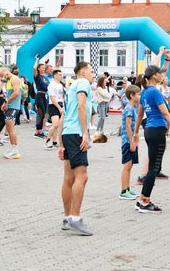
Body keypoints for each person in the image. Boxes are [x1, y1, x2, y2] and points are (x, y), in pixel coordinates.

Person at [133, 65, 170, 214]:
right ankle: (145, 201)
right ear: (154, 76)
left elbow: (140, 115)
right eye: (160, 74)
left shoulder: (145, 92)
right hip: (156, 130)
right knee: (153, 168)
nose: (163, 75)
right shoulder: (154, 91)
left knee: (153, 166)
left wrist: (136, 132)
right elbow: (166, 114)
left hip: (149, 130)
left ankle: (142, 198)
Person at [59, 61, 94, 236]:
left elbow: (64, 115)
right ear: (83, 73)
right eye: (91, 71)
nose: (93, 75)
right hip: (76, 133)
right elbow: (81, 106)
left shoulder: (70, 87)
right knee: (82, 176)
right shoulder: (82, 83)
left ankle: (67, 217)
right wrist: (85, 133)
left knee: (69, 178)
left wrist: (60, 142)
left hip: (67, 133)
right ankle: (75, 218)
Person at [119, 85, 141, 200]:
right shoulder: (129, 108)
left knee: (130, 165)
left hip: (131, 140)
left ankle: (127, 188)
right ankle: (123, 190)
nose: (139, 96)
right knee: (127, 165)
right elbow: (127, 126)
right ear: (132, 96)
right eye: (138, 94)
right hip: (127, 141)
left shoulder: (133, 107)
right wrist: (132, 141)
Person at [0, 67, 22, 159]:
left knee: (10, 128)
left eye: (2, 76)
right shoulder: (9, 80)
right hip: (10, 107)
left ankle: (15, 150)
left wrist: (6, 102)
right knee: (8, 128)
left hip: (13, 107)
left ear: (6, 73)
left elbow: (16, 93)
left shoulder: (14, 79)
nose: (2, 78)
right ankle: (13, 149)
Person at [47, 69, 66, 149]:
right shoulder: (52, 85)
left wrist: (63, 106)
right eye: (59, 74)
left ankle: (54, 142)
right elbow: (52, 97)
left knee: (58, 125)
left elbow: (63, 96)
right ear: (55, 75)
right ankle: (47, 140)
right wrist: (59, 107)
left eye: (61, 74)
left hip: (61, 104)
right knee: (55, 124)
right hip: (53, 105)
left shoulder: (61, 85)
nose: (60, 76)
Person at [33, 59, 49, 139]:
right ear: (39, 68)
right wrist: (37, 60)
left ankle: (40, 131)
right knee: (40, 114)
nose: (43, 68)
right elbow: (34, 69)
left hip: (44, 96)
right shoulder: (37, 76)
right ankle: (37, 132)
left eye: (44, 67)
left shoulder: (45, 77)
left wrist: (45, 63)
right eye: (42, 67)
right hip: (39, 96)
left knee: (44, 115)